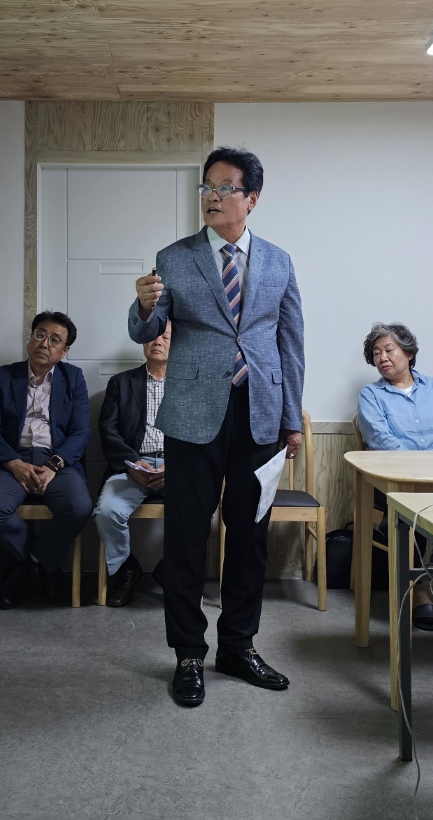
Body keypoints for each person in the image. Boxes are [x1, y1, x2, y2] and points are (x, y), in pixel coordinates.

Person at [130, 146, 305, 708]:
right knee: (186, 537)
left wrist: (291, 418)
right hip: (192, 413)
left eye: (225, 187)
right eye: (207, 187)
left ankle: (238, 647)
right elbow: (148, 329)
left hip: (260, 414)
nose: (212, 196)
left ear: (251, 199)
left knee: (249, 537)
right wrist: (143, 306)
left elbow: (290, 343)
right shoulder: (175, 257)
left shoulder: (279, 261)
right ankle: (187, 654)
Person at [355, 322, 433, 632]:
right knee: (410, 506)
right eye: (376, 353)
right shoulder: (371, 395)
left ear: (408, 352)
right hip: (397, 480)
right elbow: (381, 441)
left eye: (389, 350)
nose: (382, 357)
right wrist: (420, 472)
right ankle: (419, 593)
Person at [0, 311, 92, 608]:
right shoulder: (2, 376)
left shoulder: (74, 378)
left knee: (79, 507)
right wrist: (13, 463)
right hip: (12, 460)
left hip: (56, 461)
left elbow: (80, 432)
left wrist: (54, 465)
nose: (44, 343)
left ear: (64, 351)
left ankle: (34, 561)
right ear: (30, 338)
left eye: (55, 340)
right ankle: (38, 561)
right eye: (40, 334)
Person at [94, 322, 172, 607]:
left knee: (201, 510)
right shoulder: (121, 383)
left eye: (166, 337)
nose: (158, 341)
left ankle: (170, 569)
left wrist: (175, 467)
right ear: (143, 342)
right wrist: (132, 463)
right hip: (132, 466)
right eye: (152, 336)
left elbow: (198, 435)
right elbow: (108, 430)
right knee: (106, 511)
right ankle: (126, 569)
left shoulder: (187, 385)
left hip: (175, 468)